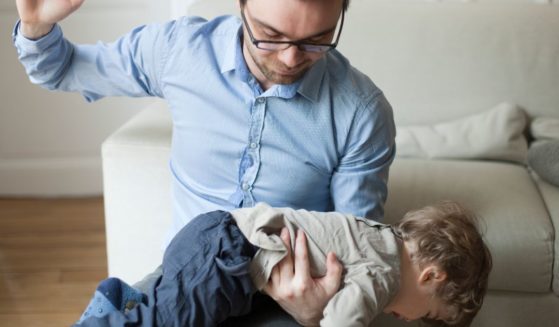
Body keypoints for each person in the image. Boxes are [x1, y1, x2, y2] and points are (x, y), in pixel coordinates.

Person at [13, 0, 396, 324]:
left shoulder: (362, 112)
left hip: (287, 300)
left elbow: (360, 245)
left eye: (316, 41)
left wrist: (317, 310)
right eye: (271, 35)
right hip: (185, 279)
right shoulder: (178, 50)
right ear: (242, 5)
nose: (291, 58)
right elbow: (59, 69)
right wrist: (36, 24)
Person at [74, 201, 492, 327]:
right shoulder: (383, 272)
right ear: (431, 275)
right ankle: (105, 315)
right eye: (431, 315)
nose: (409, 321)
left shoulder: (379, 239)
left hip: (224, 254)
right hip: (227, 253)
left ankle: (123, 302)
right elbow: (343, 322)